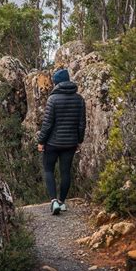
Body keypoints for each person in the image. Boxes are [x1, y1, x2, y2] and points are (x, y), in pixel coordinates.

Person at [37, 68, 86, 215]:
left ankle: (53, 202)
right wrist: (79, 140)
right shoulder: (79, 99)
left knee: (48, 169)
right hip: (70, 143)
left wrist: (41, 141)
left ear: (56, 83)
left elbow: (47, 124)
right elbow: (82, 124)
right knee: (65, 172)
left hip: (52, 143)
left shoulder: (53, 99)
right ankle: (62, 202)